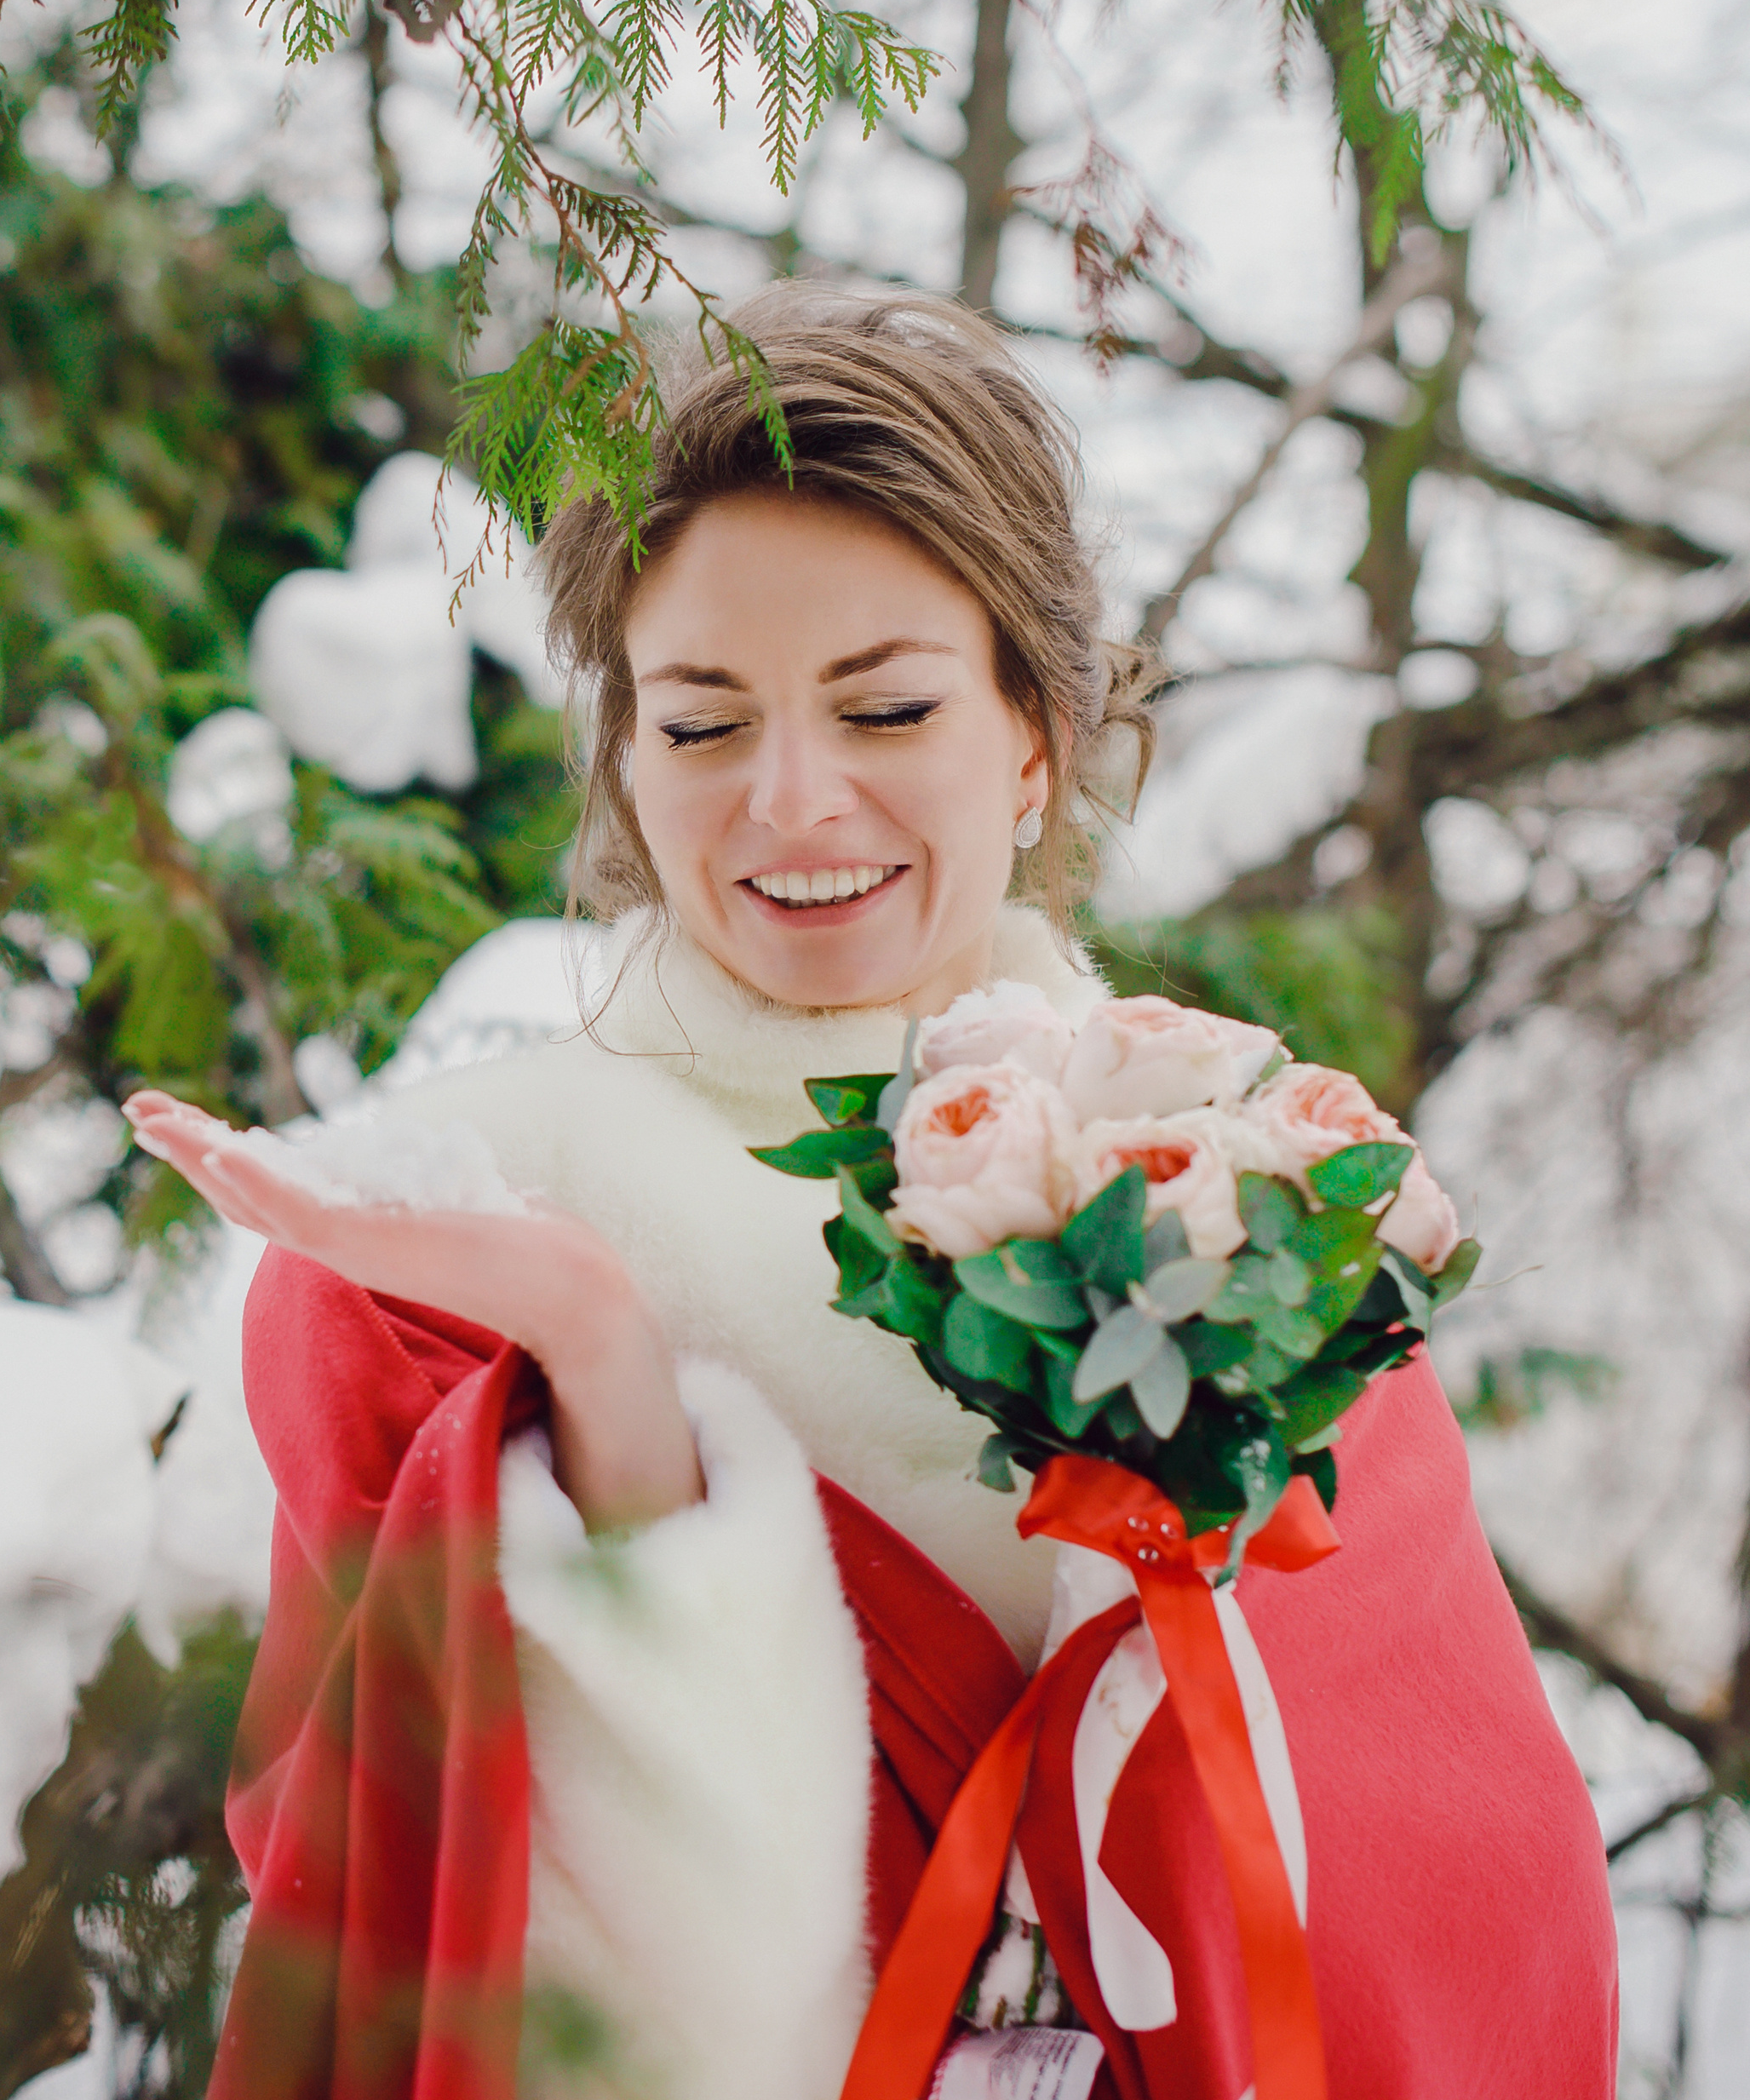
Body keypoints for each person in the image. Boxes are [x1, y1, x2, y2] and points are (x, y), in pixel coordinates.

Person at [127, 285, 1616, 2100]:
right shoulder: (462, 1240)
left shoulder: (1247, 1166)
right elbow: (463, 1982)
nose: (790, 801)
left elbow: (1454, 1903)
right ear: (618, 755)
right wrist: (599, 1374)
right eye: (698, 725)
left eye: (883, 705)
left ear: (1031, 734)